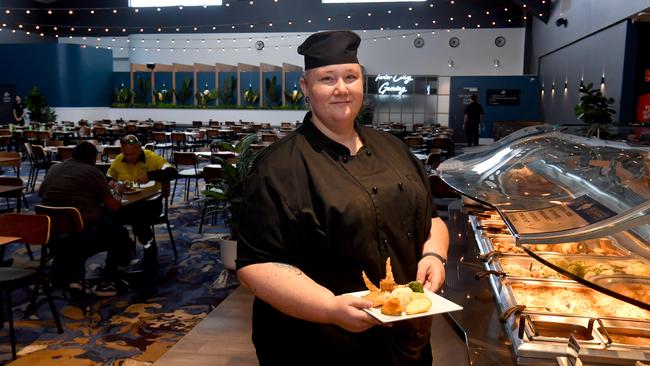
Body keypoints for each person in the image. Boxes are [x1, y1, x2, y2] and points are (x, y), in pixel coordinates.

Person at [236, 30, 450, 366]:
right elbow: (256, 266)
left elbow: (432, 220)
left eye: (350, 77)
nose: (341, 88)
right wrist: (328, 308)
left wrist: (435, 256)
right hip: (316, 344)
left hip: (404, 338)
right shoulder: (277, 167)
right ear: (306, 88)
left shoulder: (395, 149)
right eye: (327, 78)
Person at [39, 142, 134, 296]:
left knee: (84, 227)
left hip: (50, 233)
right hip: (81, 234)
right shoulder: (92, 172)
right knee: (120, 233)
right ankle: (107, 281)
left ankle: (69, 275)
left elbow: (41, 194)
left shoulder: (55, 168)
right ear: (92, 158)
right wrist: (117, 192)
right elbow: (114, 206)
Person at [106, 134, 177, 270]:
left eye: (132, 154)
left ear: (140, 148)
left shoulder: (151, 157)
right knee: (109, 217)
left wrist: (151, 175)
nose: (129, 157)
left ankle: (150, 251)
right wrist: (113, 183)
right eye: (125, 154)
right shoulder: (119, 159)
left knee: (139, 221)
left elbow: (172, 172)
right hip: (128, 203)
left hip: (152, 204)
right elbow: (108, 176)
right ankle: (120, 253)